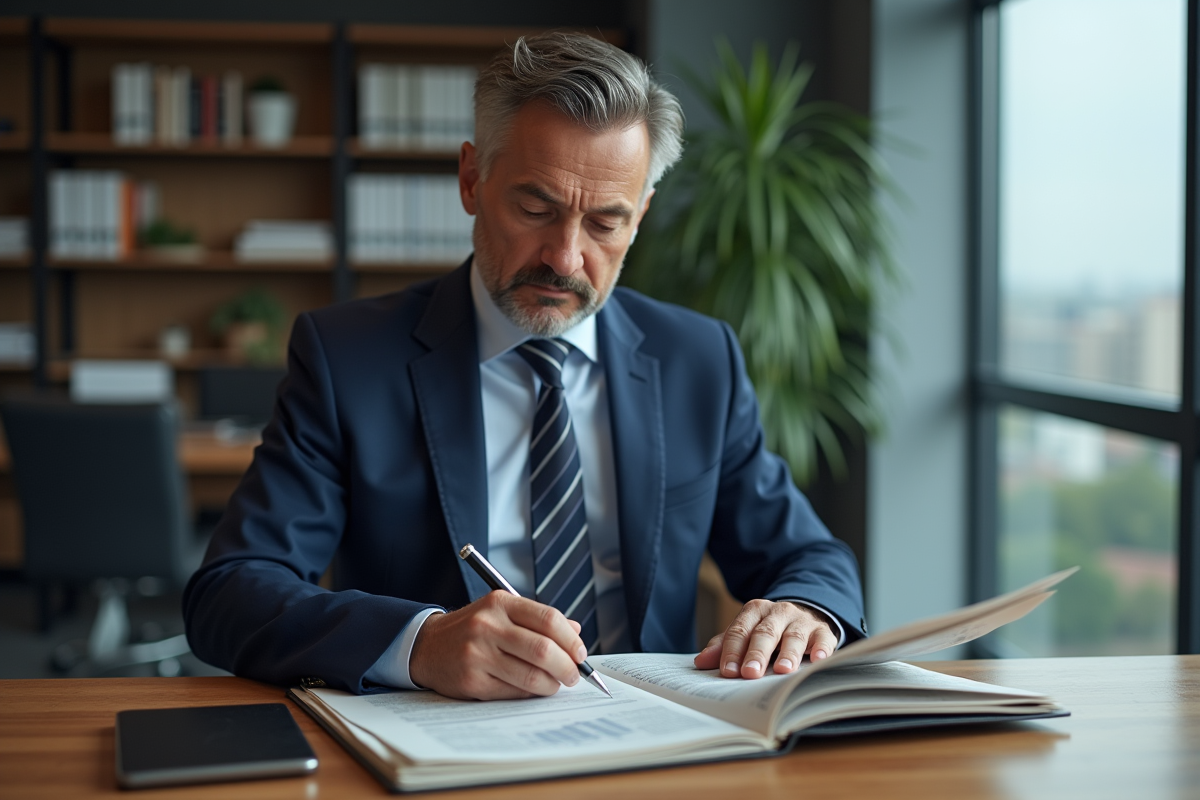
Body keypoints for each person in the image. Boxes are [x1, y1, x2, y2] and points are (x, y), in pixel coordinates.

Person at [183, 33, 866, 700]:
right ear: (471, 180)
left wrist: (805, 609)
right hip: (443, 738)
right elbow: (232, 590)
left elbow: (807, 557)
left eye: (605, 223)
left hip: (651, 740)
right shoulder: (347, 359)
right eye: (536, 208)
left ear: (641, 215)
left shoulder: (697, 359)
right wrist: (419, 644)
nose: (566, 257)